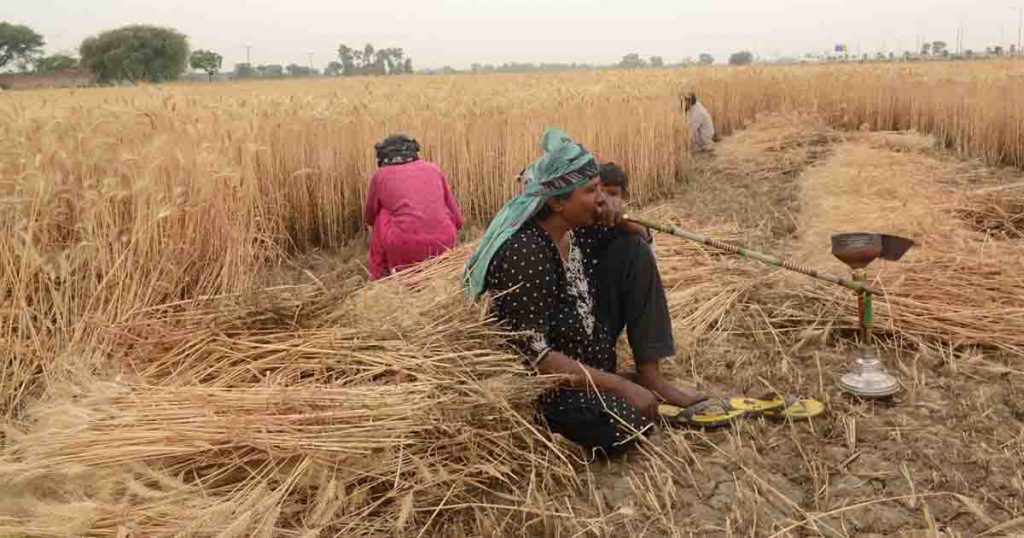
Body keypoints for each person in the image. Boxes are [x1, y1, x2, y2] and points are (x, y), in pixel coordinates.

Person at [464, 128, 730, 456]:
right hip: (552, 381)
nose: (602, 199)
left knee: (633, 248)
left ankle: (650, 377)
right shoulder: (524, 254)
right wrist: (619, 385)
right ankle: (616, 386)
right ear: (558, 201)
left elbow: (639, 248)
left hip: (590, 352)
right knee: (620, 426)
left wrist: (629, 224)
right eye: (591, 191)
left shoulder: (579, 231)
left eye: (602, 189)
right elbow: (536, 358)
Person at [364, 134, 464, 280]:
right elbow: (458, 219)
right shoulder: (434, 169)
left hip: (405, 249)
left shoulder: (380, 176)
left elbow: (370, 217)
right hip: (445, 246)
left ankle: (380, 279)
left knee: (382, 214)